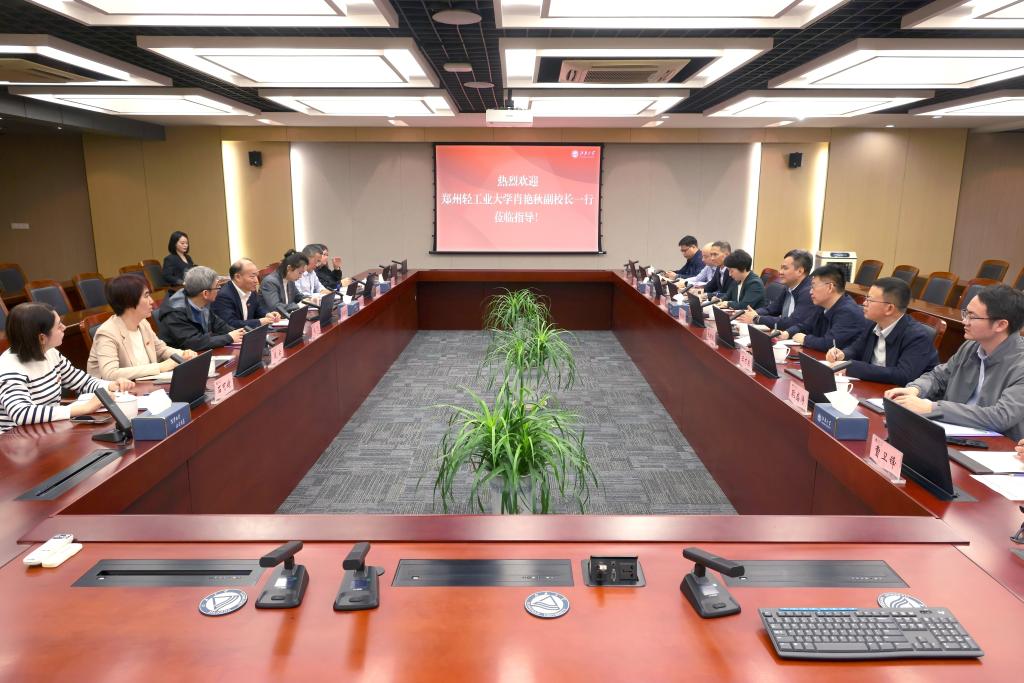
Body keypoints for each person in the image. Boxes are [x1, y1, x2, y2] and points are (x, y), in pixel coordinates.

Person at [884, 284, 1024, 440]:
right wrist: (916, 389)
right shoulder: (971, 347)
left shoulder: (1020, 363)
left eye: (972, 317)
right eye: (966, 313)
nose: (964, 321)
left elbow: (1001, 416)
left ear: (1001, 325)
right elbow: (938, 377)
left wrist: (932, 408)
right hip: (953, 433)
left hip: (998, 445)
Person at [0, 303, 133, 433]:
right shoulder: (9, 369)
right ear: (42, 338)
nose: (64, 327)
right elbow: (22, 414)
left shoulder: (49, 352)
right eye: (58, 326)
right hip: (16, 438)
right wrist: (83, 408)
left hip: (49, 429)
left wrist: (110, 385)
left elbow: (82, 381)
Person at [825, 277, 939, 385]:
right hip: (874, 387)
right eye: (866, 298)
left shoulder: (917, 336)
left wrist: (851, 367)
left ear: (889, 308)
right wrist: (842, 354)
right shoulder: (872, 324)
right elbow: (856, 349)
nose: (864, 303)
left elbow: (903, 375)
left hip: (903, 394)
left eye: (870, 300)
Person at [88, 275, 197, 380]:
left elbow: (161, 350)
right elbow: (110, 373)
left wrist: (182, 354)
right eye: (146, 296)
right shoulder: (107, 333)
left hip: (144, 385)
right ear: (129, 300)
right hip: (118, 391)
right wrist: (160, 367)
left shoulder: (142, 323)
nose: (152, 301)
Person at [777, 264, 866, 351]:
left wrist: (805, 339)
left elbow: (830, 344)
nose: (810, 291)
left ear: (830, 287)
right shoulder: (822, 305)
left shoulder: (848, 312)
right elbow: (805, 326)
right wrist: (787, 333)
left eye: (813, 287)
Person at [157, 267, 244, 352]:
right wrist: (229, 337)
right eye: (217, 287)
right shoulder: (175, 312)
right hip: (182, 357)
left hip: (201, 352)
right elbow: (193, 342)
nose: (219, 290)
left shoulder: (202, 301)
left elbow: (219, 325)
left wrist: (239, 334)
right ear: (205, 293)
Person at [739, 249, 815, 332]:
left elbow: (793, 322)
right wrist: (753, 313)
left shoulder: (809, 292)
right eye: (781, 268)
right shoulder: (788, 287)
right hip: (785, 334)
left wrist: (757, 319)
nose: (780, 272)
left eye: (785, 268)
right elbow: (771, 310)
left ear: (800, 271)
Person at [211, 258, 281, 330]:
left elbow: (258, 310)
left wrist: (267, 315)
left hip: (250, 334)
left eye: (257, 276)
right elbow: (230, 324)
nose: (256, 281)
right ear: (238, 277)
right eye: (252, 277)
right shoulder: (223, 296)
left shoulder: (251, 291)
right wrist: (259, 322)